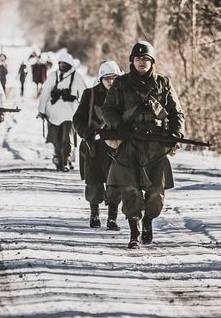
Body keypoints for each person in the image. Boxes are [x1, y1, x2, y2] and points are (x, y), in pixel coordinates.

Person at [102, 41, 184, 249]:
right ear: (132, 61)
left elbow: (177, 112)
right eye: (138, 59)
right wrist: (119, 125)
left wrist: (177, 132)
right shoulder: (121, 83)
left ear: (152, 61)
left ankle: (148, 220)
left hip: (156, 145)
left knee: (156, 191)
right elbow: (108, 109)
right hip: (130, 143)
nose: (141, 62)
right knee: (130, 190)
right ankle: (134, 232)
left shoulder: (163, 83)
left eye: (145, 59)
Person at [72, 60, 123, 230]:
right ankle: (94, 214)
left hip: (116, 145)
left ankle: (112, 218)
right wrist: (85, 132)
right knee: (94, 183)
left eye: (114, 78)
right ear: (101, 78)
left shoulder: (124, 95)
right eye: (107, 78)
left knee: (115, 182)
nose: (111, 81)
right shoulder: (90, 94)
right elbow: (77, 118)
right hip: (93, 146)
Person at [38, 51, 87, 171]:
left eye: (65, 63)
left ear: (70, 64)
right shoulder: (53, 76)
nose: (62, 65)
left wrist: (85, 111)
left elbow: (85, 95)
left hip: (70, 113)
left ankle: (66, 160)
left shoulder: (77, 77)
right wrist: (41, 110)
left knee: (67, 140)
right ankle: (59, 160)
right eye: (60, 63)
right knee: (56, 140)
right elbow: (45, 93)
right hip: (53, 113)